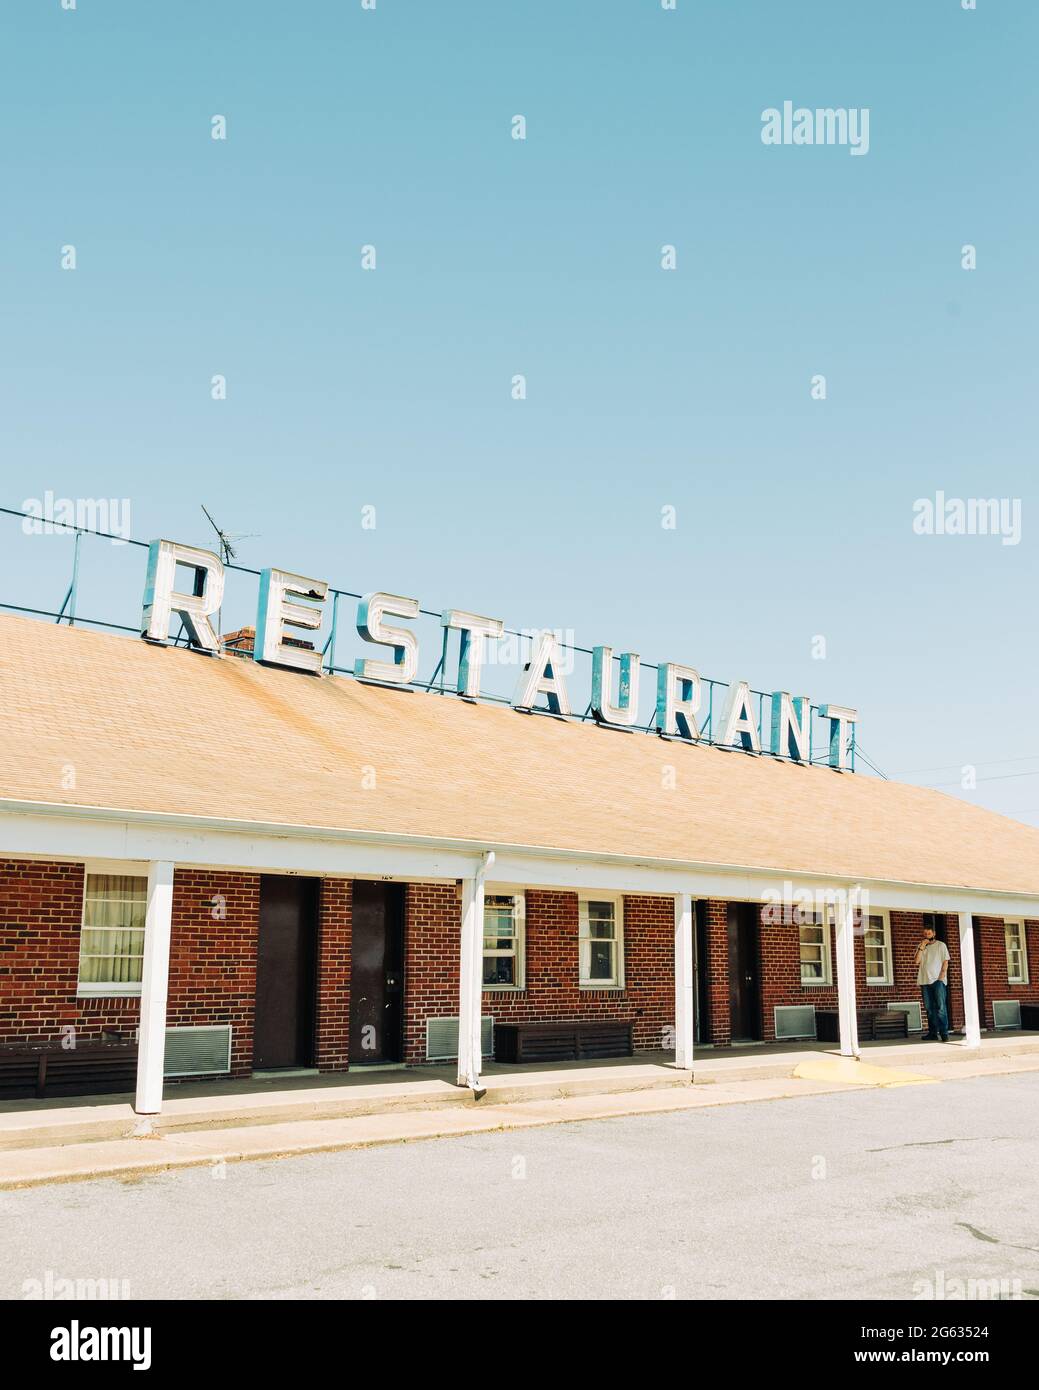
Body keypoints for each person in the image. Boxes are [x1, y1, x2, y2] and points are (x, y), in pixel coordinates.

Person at [915, 924, 951, 1041]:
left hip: (937, 980)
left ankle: (944, 1033)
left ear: (934, 933)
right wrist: (922, 946)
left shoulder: (941, 945)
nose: (927, 936)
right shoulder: (921, 946)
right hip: (924, 981)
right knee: (929, 1008)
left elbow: (945, 961)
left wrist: (941, 976)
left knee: (941, 1007)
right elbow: (916, 961)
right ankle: (933, 1033)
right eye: (925, 934)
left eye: (929, 934)